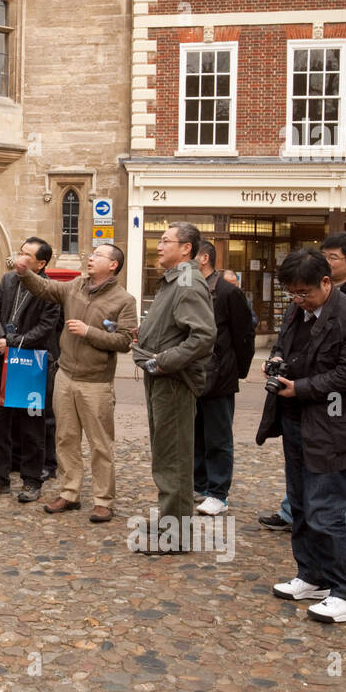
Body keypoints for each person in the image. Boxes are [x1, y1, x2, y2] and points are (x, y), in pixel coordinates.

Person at [258, 248, 346, 623]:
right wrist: (276, 360)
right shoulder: (297, 310)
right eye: (292, 294)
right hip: (297, 420)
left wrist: (302, 388)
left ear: (326, 283)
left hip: (336, 425)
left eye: (304, 293)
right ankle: (312, 576)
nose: (297, 300)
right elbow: (285, 344)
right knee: (300, 504)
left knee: (326, 512)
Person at [260, 233, 346, 531]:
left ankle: (336, 527)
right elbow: (287, 343)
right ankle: (299, 520)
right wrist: (277, 360)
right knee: (304, 472)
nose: (327, 261)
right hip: (306, 406)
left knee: (341, 473)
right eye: (324, 255)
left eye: (332, 257)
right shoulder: (303, 300)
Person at [14, 242, 137, 522]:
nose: (90, 258)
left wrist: (88, 332)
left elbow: (125, 341)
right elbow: (45, 289)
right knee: (65, 438)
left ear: (113, 265)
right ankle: (69, 494)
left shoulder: (124, 300)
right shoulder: (75, 286)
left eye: (98, 256)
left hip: (96, 383)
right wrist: (25, 273)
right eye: (91, 254)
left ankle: (103, 501)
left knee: (100, 444)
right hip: (65, 376)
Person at [132, 222, 216, 553]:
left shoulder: (186, 280)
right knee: (165, 453)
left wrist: (165, 359)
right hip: (162, 378)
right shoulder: (175, 280)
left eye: (166, 241)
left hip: (173, 381)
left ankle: (176, 535)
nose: (159, 245)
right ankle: (171, 518)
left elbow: (203, 336)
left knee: (174, 457)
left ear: (186, 249)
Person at [0, 238, 62, 501]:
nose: (19, 259)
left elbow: (46, 327)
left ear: (41, 263)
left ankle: (31, 480)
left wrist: (11, 342)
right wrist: (0, 337)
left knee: (32, 425)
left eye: (26, 255)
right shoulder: (8, 280)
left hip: (31, 364)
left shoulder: (50, 289)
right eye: (19, 253)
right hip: (3, 360)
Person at [192, 241, 255, 517]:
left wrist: (237, 370)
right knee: (195, 433)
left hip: (219, 375)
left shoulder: (229, 292)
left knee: (218, 436)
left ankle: (218, 492)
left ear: (204, 258)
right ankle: (200, 485)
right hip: (191, 374)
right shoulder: (187, 288)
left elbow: (244, 336)